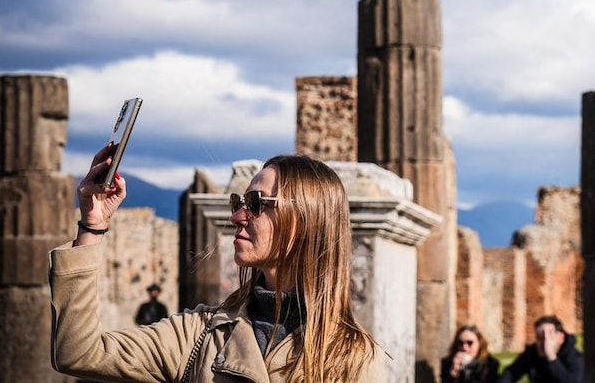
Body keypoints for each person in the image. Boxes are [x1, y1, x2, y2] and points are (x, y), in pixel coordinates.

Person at [50, 143, 384, 382]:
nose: (237, 215)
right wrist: (92, 225)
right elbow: (79, 353)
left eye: (254, 203)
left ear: (305, 220)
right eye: (239, 201)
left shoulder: (354, 359)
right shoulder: (199, 335)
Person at [497, 315, 583, 383]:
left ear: (561, 338)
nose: (544, 343)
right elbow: (511, 372)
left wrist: (552, 358)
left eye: (549, 337)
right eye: (540, 338)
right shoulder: (532, 353)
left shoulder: (575, 358)